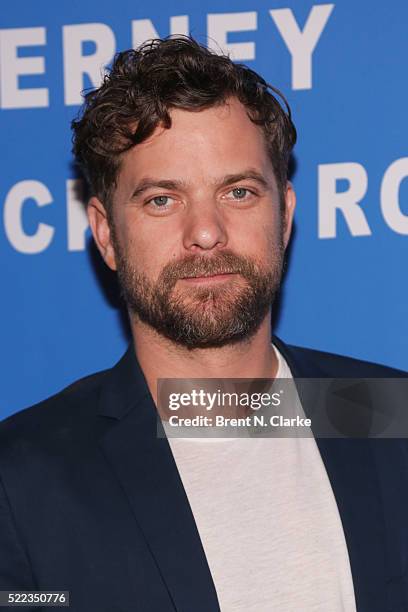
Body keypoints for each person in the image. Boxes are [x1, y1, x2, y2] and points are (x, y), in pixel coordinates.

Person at [0, 36, 407, 612]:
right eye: (162, 200)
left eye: (238, 192)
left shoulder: (391, 416)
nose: (207, 232)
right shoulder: (22, 482)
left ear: (284, 215)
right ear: (106, 233)